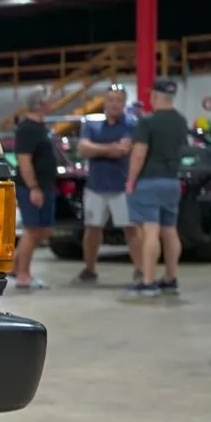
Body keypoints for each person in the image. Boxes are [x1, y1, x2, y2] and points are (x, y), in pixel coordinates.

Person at [123, 78, 192, 300]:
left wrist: (131, 180)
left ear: (154, 96)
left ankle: (148, 281)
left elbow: (139, 153)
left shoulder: (147, 122)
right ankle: (170, 278)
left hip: (149, 181)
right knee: (170, 230)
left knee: (150, 232)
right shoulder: (181, 121)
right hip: (172, 182)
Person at [75, 86, 135, 283]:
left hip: (122, 186)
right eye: (110, 100)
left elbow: (124, 150)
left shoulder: (131, 124)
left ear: (124, 103)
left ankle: (141, 270)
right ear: (104, 102)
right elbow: (83, 148)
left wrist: (97, 149)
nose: (114, 104)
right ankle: (89, 269)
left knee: (131, 229)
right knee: (92, 228)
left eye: (118, 100)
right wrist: (111, 148)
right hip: (96, 186)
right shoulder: (91, 125)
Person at [11, 89, 60, 290]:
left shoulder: (41, 127)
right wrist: (34, 188)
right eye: (49, 100)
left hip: (45, 185)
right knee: (32, 230)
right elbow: (24, 160)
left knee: (44, 229)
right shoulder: (27, 129)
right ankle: (24, 275)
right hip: (32, 187)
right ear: (40, 103)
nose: (52, 103)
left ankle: (15, 265)